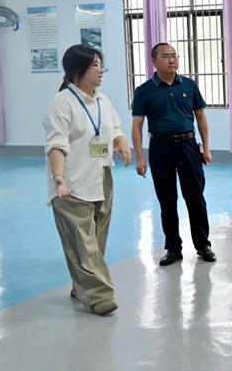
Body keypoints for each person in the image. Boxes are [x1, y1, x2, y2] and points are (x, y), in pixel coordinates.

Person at [43, 44, 132, 315]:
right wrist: (58, 177)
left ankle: (82, 285)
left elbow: (114, 128)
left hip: (101, 177)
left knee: (95, 239)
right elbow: (56, 144)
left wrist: (121, 142)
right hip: (72, 182)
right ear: (76, 71)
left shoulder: (102, 100)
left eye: (101, 65)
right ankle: (98, 295)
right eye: (95, 65)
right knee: (82, 241)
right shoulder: (61, 103)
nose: (100, 70)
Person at [132, 43, 216, 266]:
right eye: (166, 56)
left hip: (188, 145)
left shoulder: (189, 85)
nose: (172, 60)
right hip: (160, 148)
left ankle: (203, 244)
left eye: (174, 56)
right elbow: (137, 126)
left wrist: (206, 148)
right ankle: (173, 248)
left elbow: (201, 117)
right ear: (154, 62)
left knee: (195, 196)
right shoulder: (144, 90)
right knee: (167, 199)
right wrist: (140, 157)